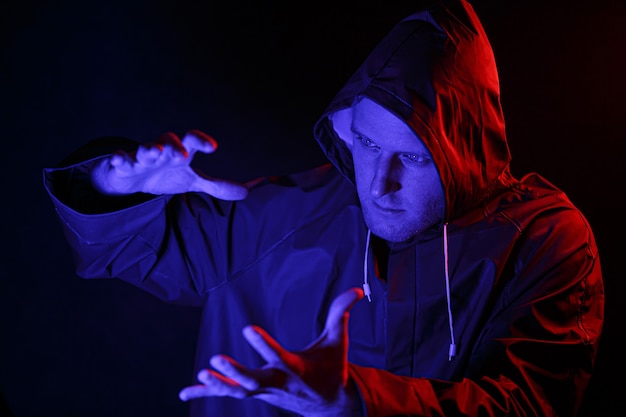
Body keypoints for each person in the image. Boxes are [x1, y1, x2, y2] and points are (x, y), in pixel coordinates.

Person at [43, 0, 604, 416]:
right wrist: (110, 185)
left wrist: (356, 401)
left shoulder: (544, 239)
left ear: (464, 154)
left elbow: (533, 407)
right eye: (365, 144)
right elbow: (119, 248)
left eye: (412, 157)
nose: (378, 183)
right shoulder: (286, 214)